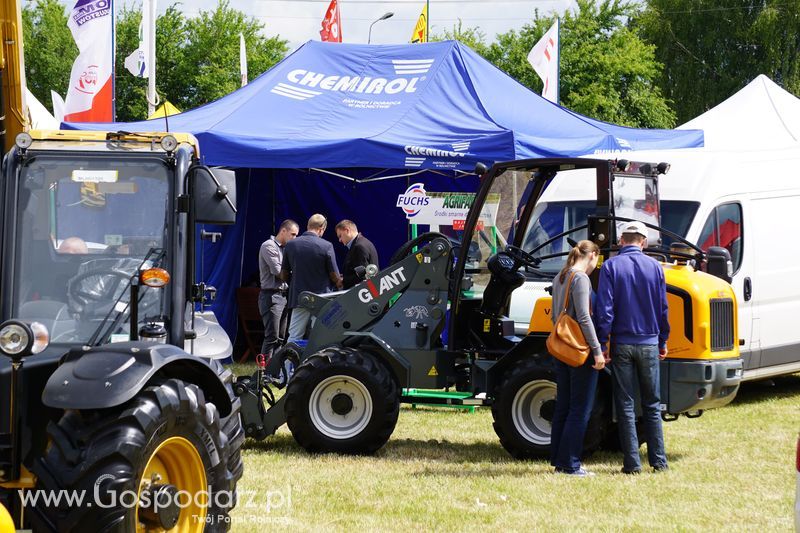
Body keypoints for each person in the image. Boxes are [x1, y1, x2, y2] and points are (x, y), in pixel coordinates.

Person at [595, 220, 670, 474]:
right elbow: (662, 308)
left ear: (620, 241)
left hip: (621, 342)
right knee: (652, 403)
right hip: (649, 341)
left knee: (625, 404)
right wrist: (663, 340)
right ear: (644, 242)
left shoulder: (610, 266)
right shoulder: (655, 267)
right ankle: (659, 461)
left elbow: (605, 310)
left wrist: (603, 342)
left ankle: (632, 463)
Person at [549, 240, 605, 477]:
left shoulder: (560, 276)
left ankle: (559, 460)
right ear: (592, 255)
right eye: (597, 260)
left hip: (562, 349)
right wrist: (597, 350)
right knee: (580, 409)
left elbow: (555, 315)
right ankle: (570, 464)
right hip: (580, 350)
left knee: (563, 405)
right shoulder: (580, 278)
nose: (595, 265)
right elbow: (584, 317)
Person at [280, 214, 342, 342]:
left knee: (294, 335)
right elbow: (335, 276)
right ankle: (317, 362)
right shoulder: (327, 246)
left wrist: (295, 282)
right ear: (321, 229)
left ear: (308, 226)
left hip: (300, 297)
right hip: (322, 298)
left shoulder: (291, 245)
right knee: (320, 336)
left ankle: (289, 362)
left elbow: (283, 274)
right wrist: (338, 283)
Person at [258, 219, 299, 360]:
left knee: (281, 337)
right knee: (272, 337)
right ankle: (263, 373)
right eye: (293, 234)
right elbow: (279, 272)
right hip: (272, 295)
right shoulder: (268, 246)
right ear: (283, 231)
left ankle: (275, 371)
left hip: (283, 295)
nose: (295, 238)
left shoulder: (286, 248)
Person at [335, 219, 379, 289]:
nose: (339, 240)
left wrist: (343, 280)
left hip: (362, 294)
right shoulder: (362, 242)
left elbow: (363, 276)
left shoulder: (359, 246)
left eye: (340, 236)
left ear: (347, 230)